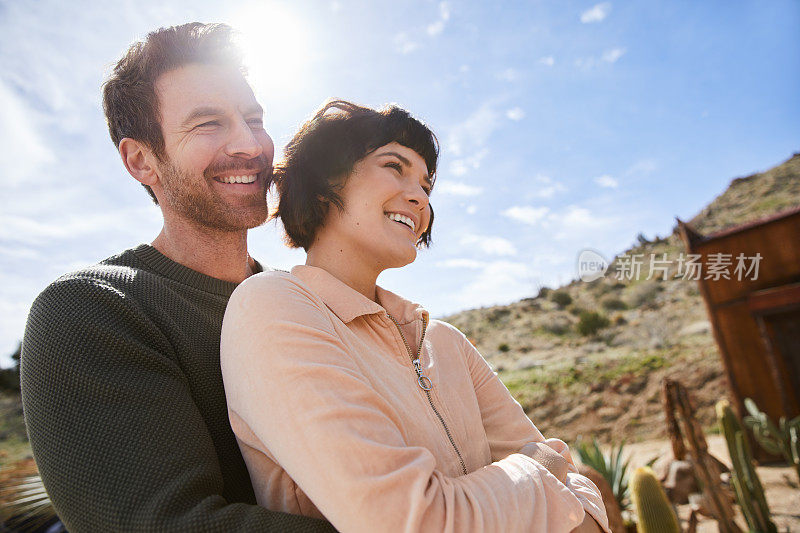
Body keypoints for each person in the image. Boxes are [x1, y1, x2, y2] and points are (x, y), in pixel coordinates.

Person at [220, 100, 610, 532]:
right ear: (322, 183)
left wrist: (545, 479)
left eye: (426, 185)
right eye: (394, 166)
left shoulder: (445, 342)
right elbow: (410, 521)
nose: (419, 197)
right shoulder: (272, 306)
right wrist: (536, 473)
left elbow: (579, 490)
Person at [20, 23, 336, 532]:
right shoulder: (90, 310)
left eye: (253, 118)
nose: (249, 144)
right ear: (141, 160)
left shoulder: (308, 299)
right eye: (208, 123)